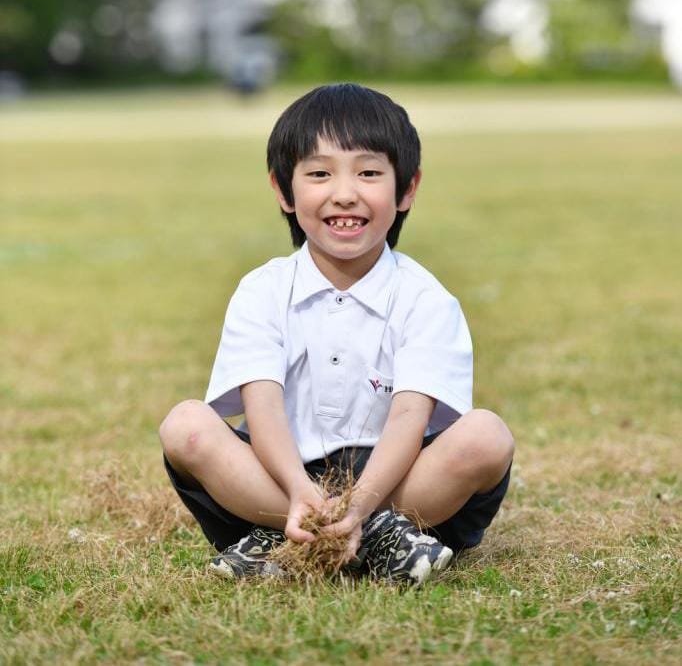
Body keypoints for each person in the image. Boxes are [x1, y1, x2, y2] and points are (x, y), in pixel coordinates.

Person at [159, 83, 514, 585]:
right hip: (280, 476)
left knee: (486, 436)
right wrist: (298, 489)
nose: (344, 192)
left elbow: (412, 417)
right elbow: (260, 405)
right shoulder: (262, 290)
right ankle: (339, 534)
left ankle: (322, 538)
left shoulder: (426, 298)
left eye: (369, 173)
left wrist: (362, 501)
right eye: (320, 173)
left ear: (406, 188)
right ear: (284, 191)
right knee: (185, 426)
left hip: (398, 483)